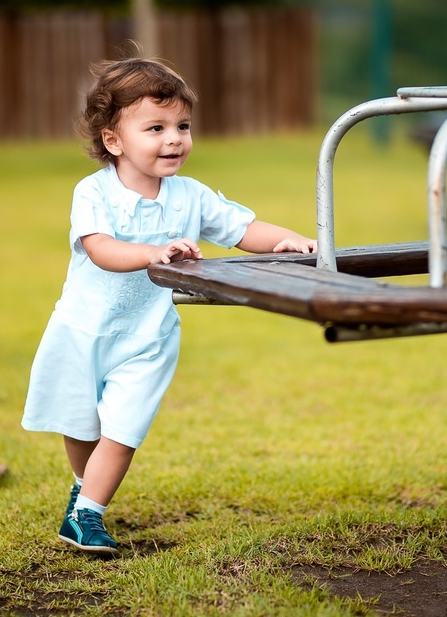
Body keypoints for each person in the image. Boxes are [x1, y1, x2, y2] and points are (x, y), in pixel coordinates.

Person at [21, 57, 315, 555]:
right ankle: (82, 484)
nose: (174, 138)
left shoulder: (190, 196)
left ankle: (86, 516)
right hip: (83, 329)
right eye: (155, 128)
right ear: (114, 140)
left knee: (123, 427)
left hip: (148, 337)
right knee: (80, 423)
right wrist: (151, 254)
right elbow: (101, 250)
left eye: (182, 126)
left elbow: (243, 229)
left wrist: (289, 239)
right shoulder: (93, 193)